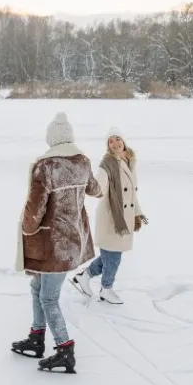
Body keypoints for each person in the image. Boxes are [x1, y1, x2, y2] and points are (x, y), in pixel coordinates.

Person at [11, 112, 102, 374]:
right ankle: (36, 337)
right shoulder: (82, 161)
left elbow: (34, 208)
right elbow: (95, 190)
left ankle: (65, 349)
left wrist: (26, 229)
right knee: (36, 287)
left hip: (51, 245)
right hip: (73, 241)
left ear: (51, 139)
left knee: (49, 298)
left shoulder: (46, 166)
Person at [71, 127, 147, 304]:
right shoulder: (107, 165)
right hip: (111, 218)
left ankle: (84, 276)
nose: (115, 144)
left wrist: (137, 214)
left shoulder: (129, 161)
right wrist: (85, 181)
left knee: (110, 256)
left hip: (123, 217)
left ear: (123, 140)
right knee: (113, 257)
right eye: (110, 141)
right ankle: (106, 289)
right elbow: (98, 185)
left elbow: (132, 195)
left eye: (117, 139)